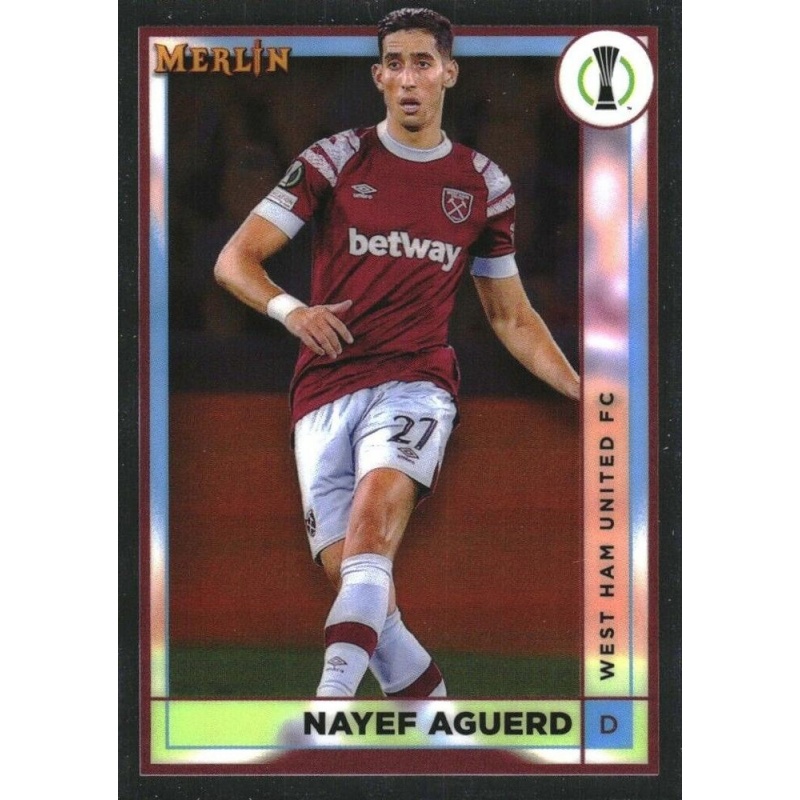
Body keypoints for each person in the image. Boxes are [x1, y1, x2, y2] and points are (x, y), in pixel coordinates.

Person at [214, 7, 580, 699]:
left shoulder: (483, 184)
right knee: (364, 590)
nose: (409, 78)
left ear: (449, 73)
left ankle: (327, 712)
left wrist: (585, 391)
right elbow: (235, 260)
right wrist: (294, 311)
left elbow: (509, 315)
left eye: (423, 63)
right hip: (323, 390)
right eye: (395, 64)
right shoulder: (334, 159)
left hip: (416, 382)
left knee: (372, 523)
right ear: (378, 77)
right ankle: (440, 728)